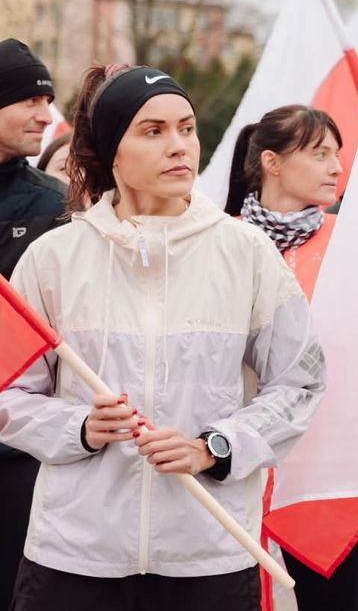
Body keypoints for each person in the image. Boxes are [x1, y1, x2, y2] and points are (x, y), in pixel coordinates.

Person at [0, 63, 326, 610]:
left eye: (186, 128)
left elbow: (300, 384)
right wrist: (79, 426)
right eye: (153, 132)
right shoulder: (54, 258)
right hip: (75, 555)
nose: (179, 147)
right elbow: (9, 393)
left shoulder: (245, 253)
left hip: (209, 554)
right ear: (112, 152)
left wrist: (215, 446)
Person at [222, 104, 358, 609]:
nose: (336, 168)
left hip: (328, 463)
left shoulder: (353, 245)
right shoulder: (220, 239)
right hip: (231, 454)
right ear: (271, 163)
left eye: (337, 155)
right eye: (320, 154)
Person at [0, 38, 67, 607]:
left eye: (48, 100)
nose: (45, 115)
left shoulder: (55, 206)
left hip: (16, 452)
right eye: (28, 100)